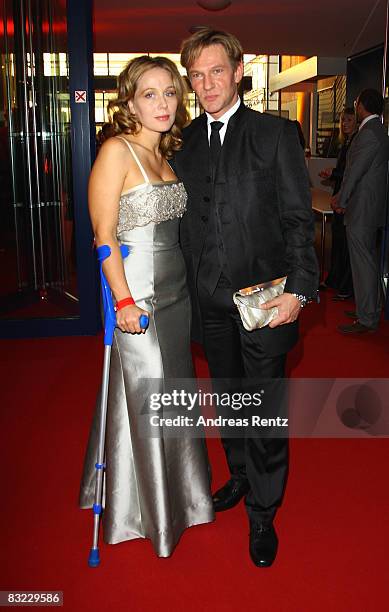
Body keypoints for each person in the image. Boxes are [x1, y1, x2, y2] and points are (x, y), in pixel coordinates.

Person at [175, 28, 319, 567]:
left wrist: (300, 291)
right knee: (231, 401)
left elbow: (298, 220)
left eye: (216, 71)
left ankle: (263, 510)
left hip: (265, 302)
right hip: (207, 301)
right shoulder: (182, 142)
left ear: (238, 71)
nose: (207, 83)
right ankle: (238, 475)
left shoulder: (277, 134)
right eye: (197, 75)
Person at [79, 56, 214, 557]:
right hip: (138, 295)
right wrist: (122, 300)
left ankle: (183, 496)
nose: (163, 103)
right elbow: (104, 237)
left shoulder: (165, 155)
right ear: (129, 101)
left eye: (171, 93)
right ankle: (150, 512)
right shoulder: (117, 152)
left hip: (176, 295)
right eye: (150, 93)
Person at [332, 89, 389, 334]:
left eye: (355, 102)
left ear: (362, 105)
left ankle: (367, 317)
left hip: (362, 208)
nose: (354, 106)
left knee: (364, 263)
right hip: (368, 207)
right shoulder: (376, 131)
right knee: (368, 262)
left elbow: (355, 172)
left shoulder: (369, 134)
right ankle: (369, 310)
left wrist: (341, 198)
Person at [319, 107, 357, 300]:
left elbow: (352, 175)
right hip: (340, 196)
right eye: (343, 120)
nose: (344, 124)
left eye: (349, 120)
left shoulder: (356, 143)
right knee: (337, 242)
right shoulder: (346, 143)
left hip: (348, 199)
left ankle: (344, 286)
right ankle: (334, 279)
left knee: (345, 245)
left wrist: (333, 174)